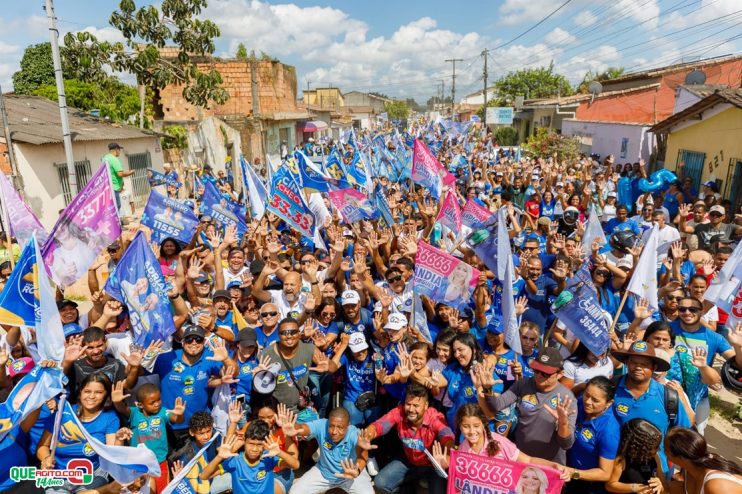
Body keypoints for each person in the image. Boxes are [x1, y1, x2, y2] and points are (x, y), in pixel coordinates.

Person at [480, 347, 577, 463]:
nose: (539, 375)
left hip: (549, 464)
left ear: (560, 374)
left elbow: (566, 444)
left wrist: (563, 423)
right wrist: (487, 389)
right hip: (522, 459)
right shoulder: (523, 384)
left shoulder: (567, 399)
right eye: (536, 370)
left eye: (546, 373)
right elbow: (497, 405)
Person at [610, 341, 692, 474]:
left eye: (644, 364)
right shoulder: (610, 388)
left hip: (656, 470)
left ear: (654, 367)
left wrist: (683, 474)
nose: (638, 367)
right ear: (626, 363)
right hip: (613, 464)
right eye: (633, 362)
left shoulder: (668, 396)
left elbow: (685, 437)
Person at [363, 383, 455, 494]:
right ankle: (407, 488)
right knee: (380, 483)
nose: (411, 409)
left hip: (433, 465)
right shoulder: (399, 411)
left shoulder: (435, 417)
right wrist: (368, 435)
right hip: (409, 461)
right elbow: (381, 424)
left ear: (426, 406)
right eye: (408, 404)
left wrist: (448, 456)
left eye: (416, 405)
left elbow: (446, 435)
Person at [281, 407, 375, 493]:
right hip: (323, 473)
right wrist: (294, 428)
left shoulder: (355, 434)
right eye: (331, 426)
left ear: (348, 426)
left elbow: (362, 456)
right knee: (294, 492)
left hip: (351, 475)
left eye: (340, 428)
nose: (334, 432)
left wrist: (357, 470)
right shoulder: (322, 424)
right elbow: (303, 428)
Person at [200, 420, 298, 494]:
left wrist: (280, 452)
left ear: (264, 444)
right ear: (244, 440)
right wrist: (219, 457)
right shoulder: (235, 461)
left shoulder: (268, 457)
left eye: (259, 444)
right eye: (251, 443)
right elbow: (204, 476)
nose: (254, 449)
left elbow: (295, 465)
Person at [562, 377, 621, 494]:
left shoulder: (609, 431)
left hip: (589, 485)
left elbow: (605, 473)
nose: (588, 402)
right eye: (586, 395)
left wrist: (573, 473)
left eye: (595, 400)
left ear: (609, 403)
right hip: (568, 474)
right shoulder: (580, 403)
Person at [663, 427, 742, 494]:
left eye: (665, 449)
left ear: (680, 457)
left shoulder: (715, 485)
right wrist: (664, 486)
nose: (663, 451)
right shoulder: (690, 466)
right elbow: (685, 490)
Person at [605, 419, 665, 494]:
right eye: (655, 447)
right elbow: (610, 485)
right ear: (642, 446)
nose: (659, 449)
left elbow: (663, 483)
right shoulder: (621, 460)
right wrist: (634, 488)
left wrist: (660, 484)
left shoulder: (655, 456)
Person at [103, 143, 135, 210]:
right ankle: (117, 220)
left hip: (107, 186)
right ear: (116, 149)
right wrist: (130, 172)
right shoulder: (114, 159)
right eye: (119, 150)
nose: (119, 152)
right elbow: (120, 174)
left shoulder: (105, 158)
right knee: (117, 206)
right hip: (114, 187)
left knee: (111, 206)